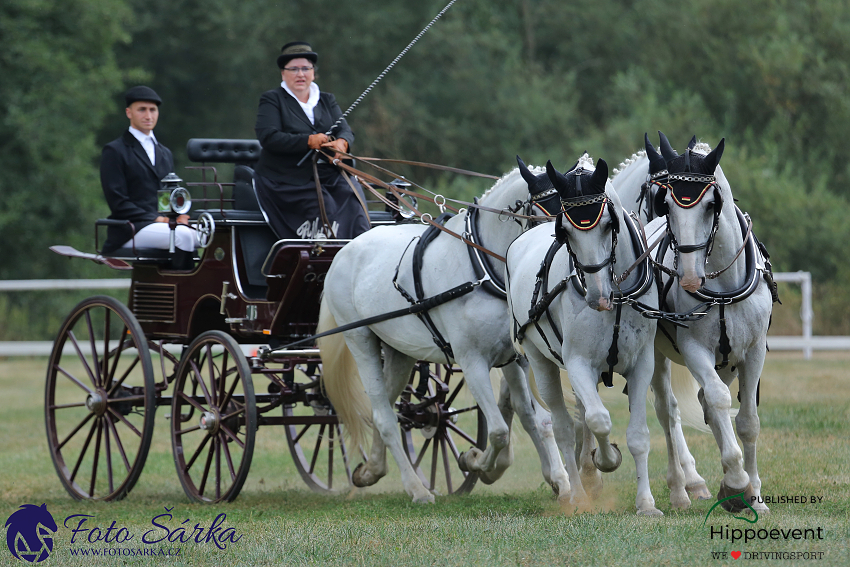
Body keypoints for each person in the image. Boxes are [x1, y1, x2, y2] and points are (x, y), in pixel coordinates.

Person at [253, 41, 371, 240]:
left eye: (305, 68)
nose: (300, 74)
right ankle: (327, 258)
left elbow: (345, 129)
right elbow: (269, 138)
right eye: (294, 69)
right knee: (325, 206)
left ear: (313, 73)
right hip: (286, 180)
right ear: (283, 73)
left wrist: (342, 142)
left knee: (353, 199)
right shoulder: (272, 99)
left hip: (327, 174)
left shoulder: (327, 99)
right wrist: (308, 141)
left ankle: (360, 252)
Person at [100, 85, 199, 269]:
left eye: (153, 110)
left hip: (162, 226)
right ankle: (183, 291)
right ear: (129, 112)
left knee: (205, 235)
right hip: (131, 229)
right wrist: (157, 218)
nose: (148, 116)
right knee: (184, 236)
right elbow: (118, 203)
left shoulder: (164, 152)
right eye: (142, 110)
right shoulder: (115, 151)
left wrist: (180, 215)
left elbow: (169, 195)